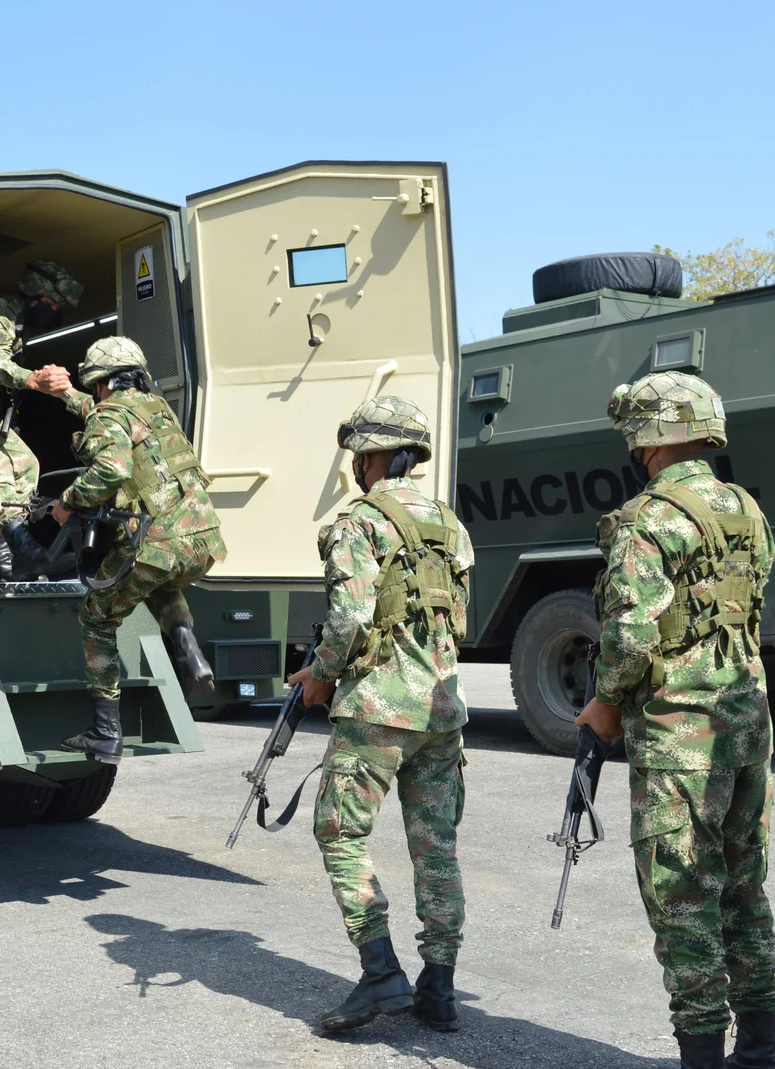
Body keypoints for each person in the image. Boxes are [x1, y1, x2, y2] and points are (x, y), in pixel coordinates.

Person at [572, 371, 775, 1069]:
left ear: (648, 439)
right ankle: (759, 1052)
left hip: (678, 732)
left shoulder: (646, 518)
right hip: (746, 722)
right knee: (744, 889)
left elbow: (630, 637)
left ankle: (702, 1055)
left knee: (683, 895)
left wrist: (606, 701)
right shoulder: (745, 508)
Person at [284, 395, 473, 1034]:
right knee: (436, 847)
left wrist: (320, 674)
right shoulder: (449, 524)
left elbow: (351, 617)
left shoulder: (358, 523)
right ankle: (439, 988)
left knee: (340, 833)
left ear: (369, 456)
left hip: (377, 707)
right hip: (442, 710)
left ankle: (381, 971)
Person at [48, 336, 223, 761]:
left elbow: (111, 470)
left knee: (96, 616)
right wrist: (66, 394)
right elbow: (108, 416)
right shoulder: (156, 409)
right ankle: (188, 646)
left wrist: (66, 502)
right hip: (203, 541)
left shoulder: (108, 413)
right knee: (159, 580)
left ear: (102, 382)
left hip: (158, 543)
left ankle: (106, 732)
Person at [0, 261, 83, 577]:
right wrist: (33, 379)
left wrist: (6, 418)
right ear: (34, 293)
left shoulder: (20, 327)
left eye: (57, 307)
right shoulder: (2, 309)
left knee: (26, 464)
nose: (53, 311)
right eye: (50, 303)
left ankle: (4, 562)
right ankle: (24, 550)